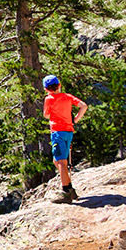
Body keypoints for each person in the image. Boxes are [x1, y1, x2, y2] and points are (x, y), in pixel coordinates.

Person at [42, 74, 88, 203]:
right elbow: (83, 106)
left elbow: (46, 115)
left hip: (57, 132)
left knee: (61, 162)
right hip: (69, 131)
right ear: (59, 85)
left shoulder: (49, 99)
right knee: (57, 161)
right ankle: (70, 188)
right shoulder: (68, 97)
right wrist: (75, 120)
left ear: (46, 89)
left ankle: (65, 192)